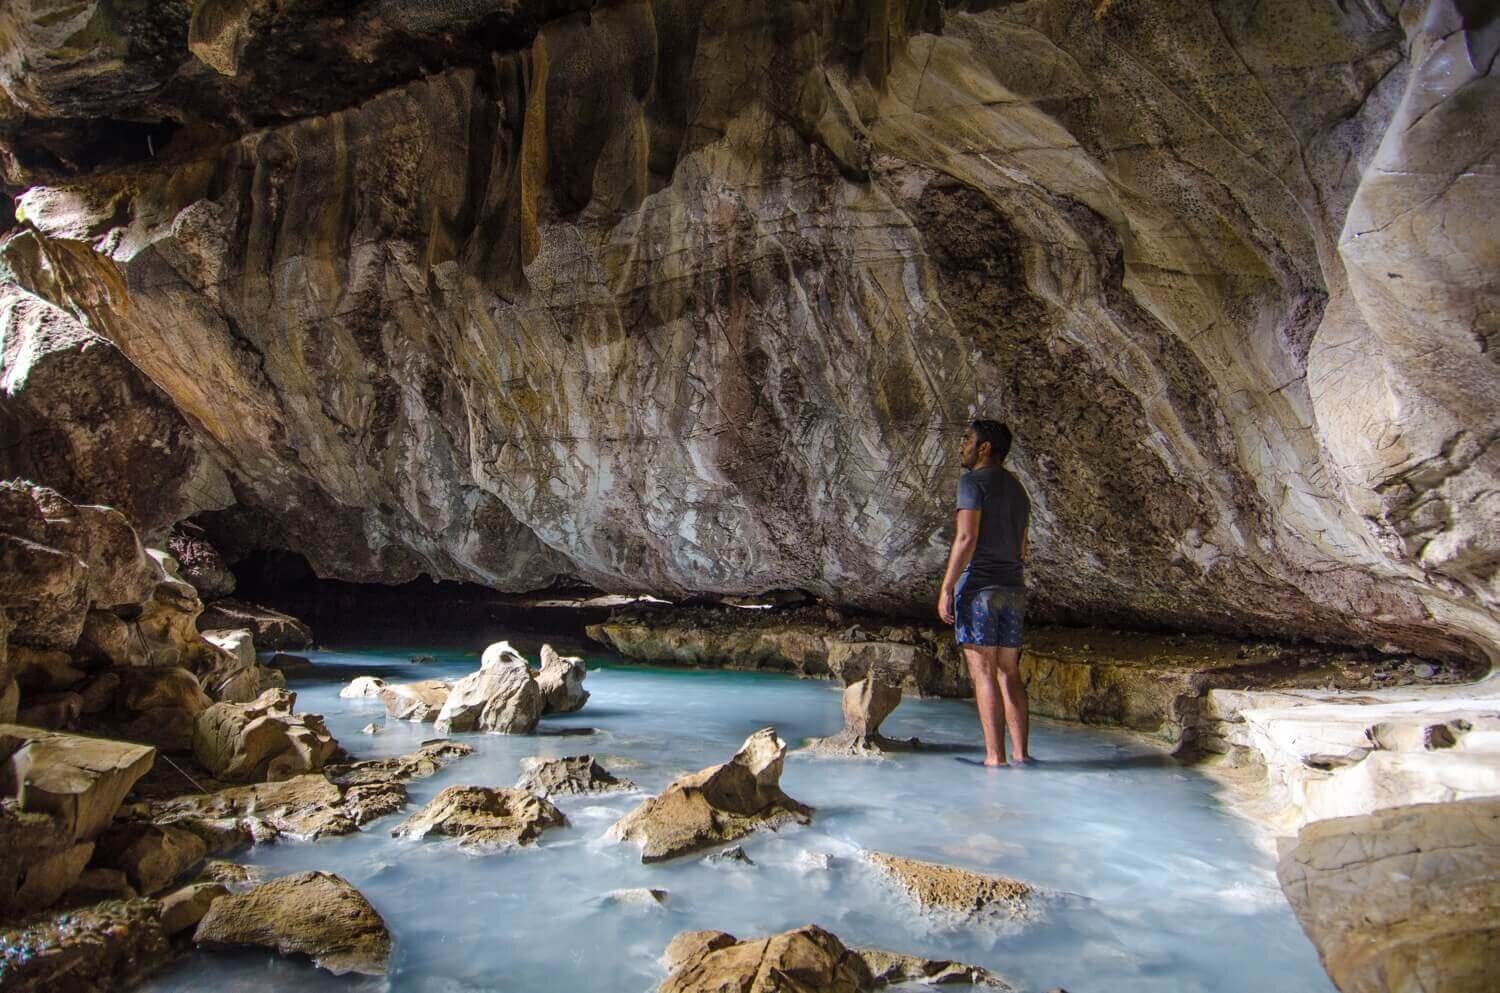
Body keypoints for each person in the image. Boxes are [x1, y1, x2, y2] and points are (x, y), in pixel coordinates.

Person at [937, 419, 1031, 767]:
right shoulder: (1017, 489)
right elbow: (1023, 548)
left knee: (984, 673)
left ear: (984, 448)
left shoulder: (971, 482)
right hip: (1013, 588)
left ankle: (995, 758)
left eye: (967, 440)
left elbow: (966, 538)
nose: (963, 446)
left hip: (979, 589)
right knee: (1010, 671)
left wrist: (947, 587)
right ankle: (1021, 755)